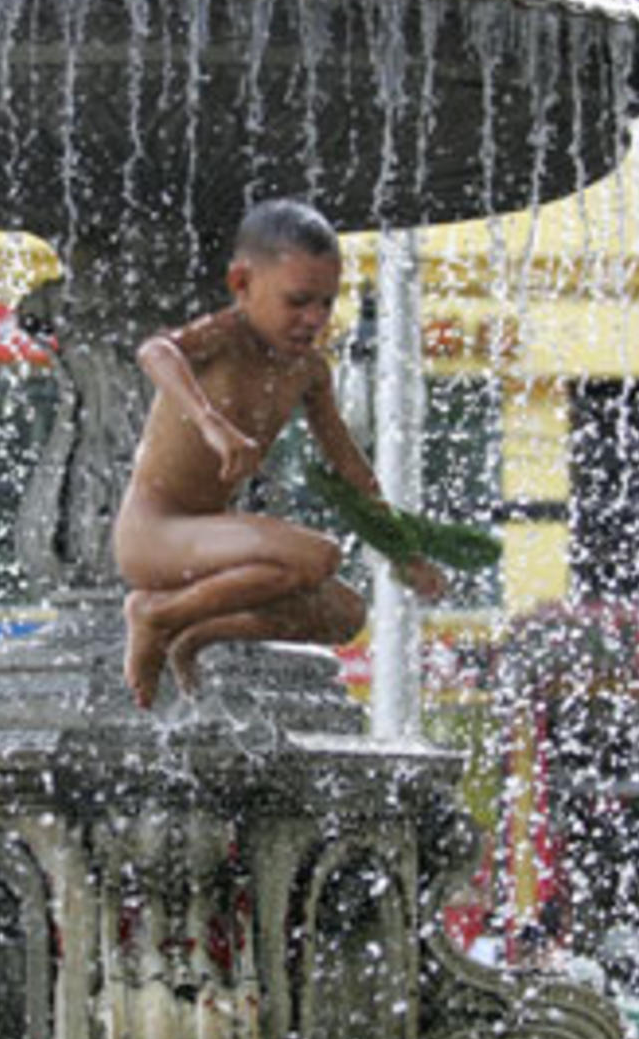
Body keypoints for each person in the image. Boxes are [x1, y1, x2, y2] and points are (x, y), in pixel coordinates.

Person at [114, 198, 445, 709]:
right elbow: (154, 352)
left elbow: (348, 463)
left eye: (327, 304)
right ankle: (153, 616)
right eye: (298, 301)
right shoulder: (224, 335)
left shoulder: (308, 371)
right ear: (242, 285)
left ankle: (191, 634)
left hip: (214, 545)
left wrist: (405, 552)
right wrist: (212, 425)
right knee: (318, 556)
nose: (313, 319)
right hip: (155, 534)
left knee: (344, 613)